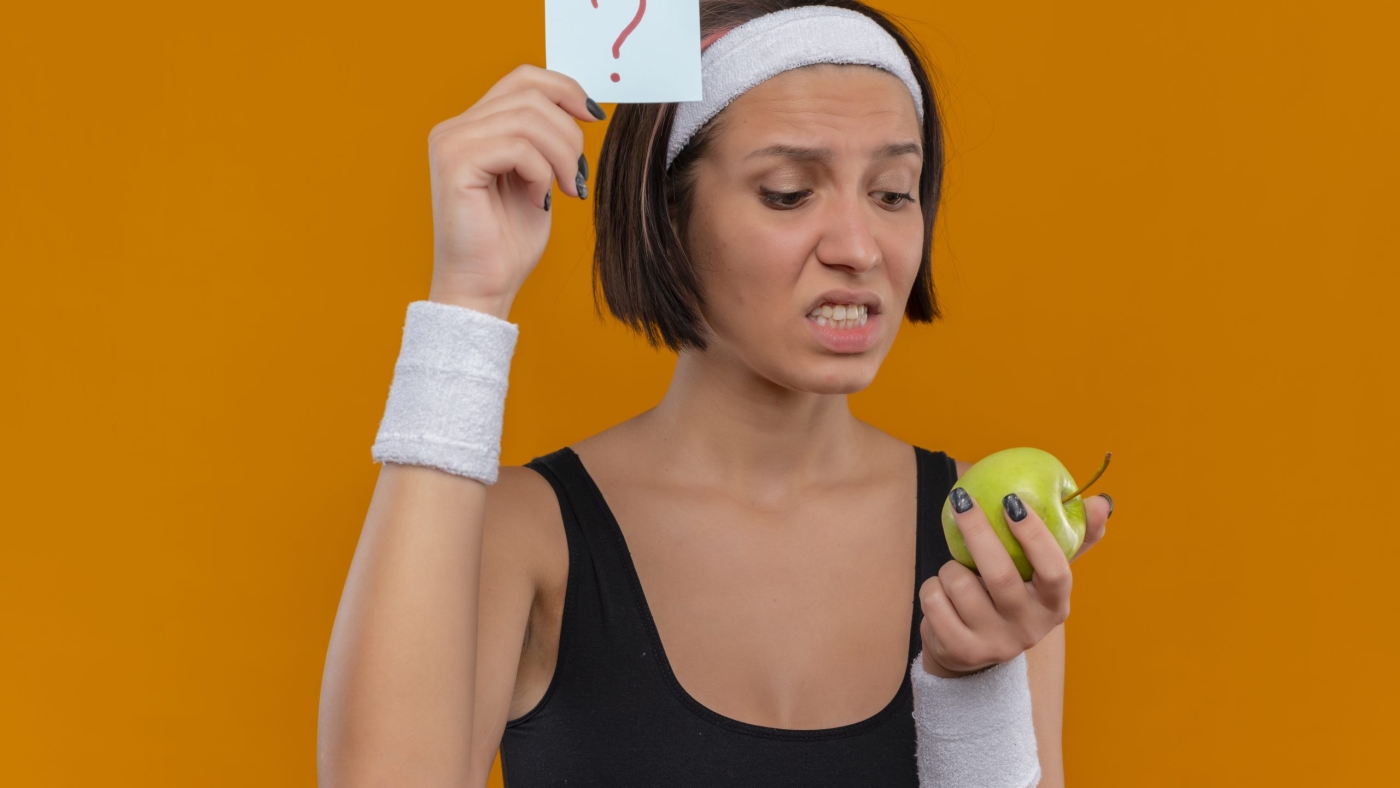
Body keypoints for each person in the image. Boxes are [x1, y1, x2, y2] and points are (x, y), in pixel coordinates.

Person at [317, 2, 1112, 786]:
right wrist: (467, 298)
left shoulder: (987, 542)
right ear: (669, 218)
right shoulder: (525, 535)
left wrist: (973, 694)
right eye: (789, 193)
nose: (860, 248)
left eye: (894, 192)